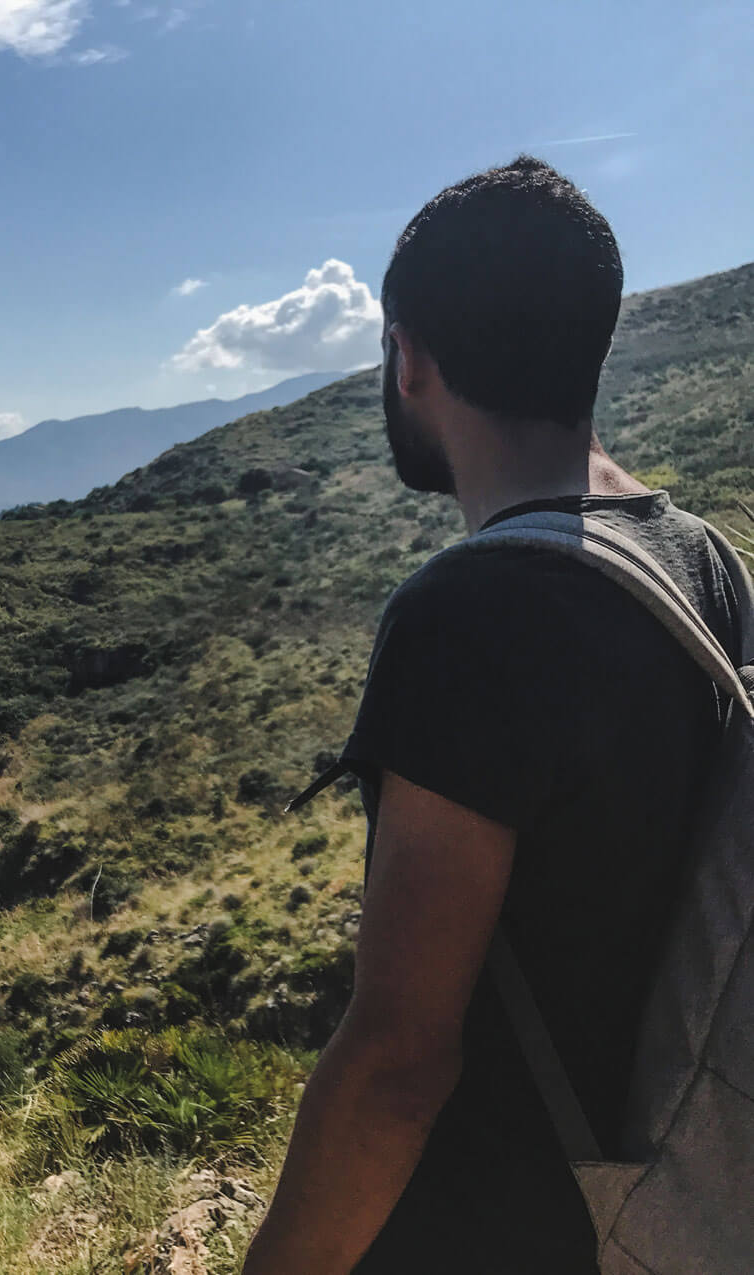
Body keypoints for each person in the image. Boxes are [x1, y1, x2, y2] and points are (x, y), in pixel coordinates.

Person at [241, 156, 742, 1274]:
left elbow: (397, 1065)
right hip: (674, 1211)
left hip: (504, 1231)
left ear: (407, 356)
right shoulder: (698, 560)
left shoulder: (471, 611)